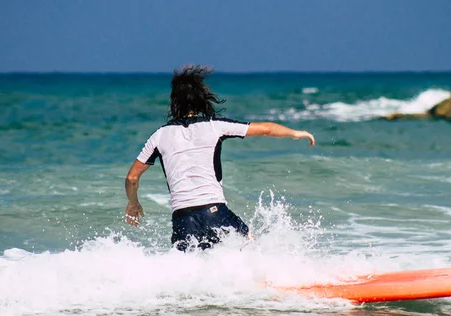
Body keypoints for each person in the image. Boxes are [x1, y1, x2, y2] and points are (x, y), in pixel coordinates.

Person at [125, 65, 315, 251]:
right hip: (214, 212)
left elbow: (132, 178)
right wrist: (295, 133)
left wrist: (133, 203)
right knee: (252, 250)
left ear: (174, 101)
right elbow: (266, 129)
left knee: (187, 272)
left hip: (182, 219)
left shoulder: (159, 135)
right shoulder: (215, 126)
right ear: (200, 99)